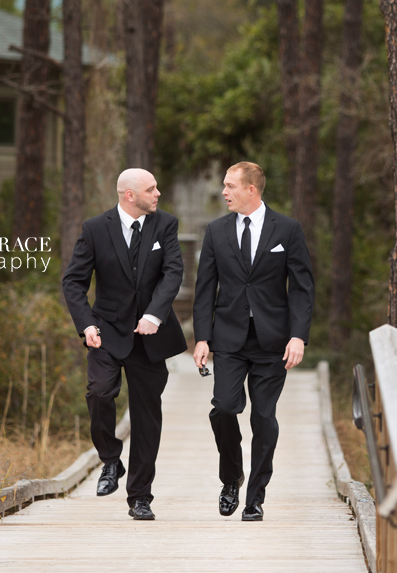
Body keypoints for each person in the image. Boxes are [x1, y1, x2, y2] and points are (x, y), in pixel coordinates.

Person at [192, 161, 315, 522]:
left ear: (251, 189)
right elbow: (204, 290)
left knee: (264, 418)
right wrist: (202, 338)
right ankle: (231, 478)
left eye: (230, 186)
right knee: (225, 408)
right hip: (228, 339)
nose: (224, 192)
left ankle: (255, 497)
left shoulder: (288, 230)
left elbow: (303, 288)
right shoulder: (216, 231)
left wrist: (298, 335)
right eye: (224, 186)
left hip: (272, 341)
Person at [62, 168, 186, 521]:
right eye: (151, 189)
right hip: (105, 331)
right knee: (99, 391)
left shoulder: (165, 225)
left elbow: (172, 273)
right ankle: (110, 460)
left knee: (147, 418)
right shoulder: (95, 229)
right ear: (129, 195)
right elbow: (73, 281)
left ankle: (140, 497)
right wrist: (86, 324)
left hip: (150, 337)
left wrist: (154, 314)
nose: (158, 193)